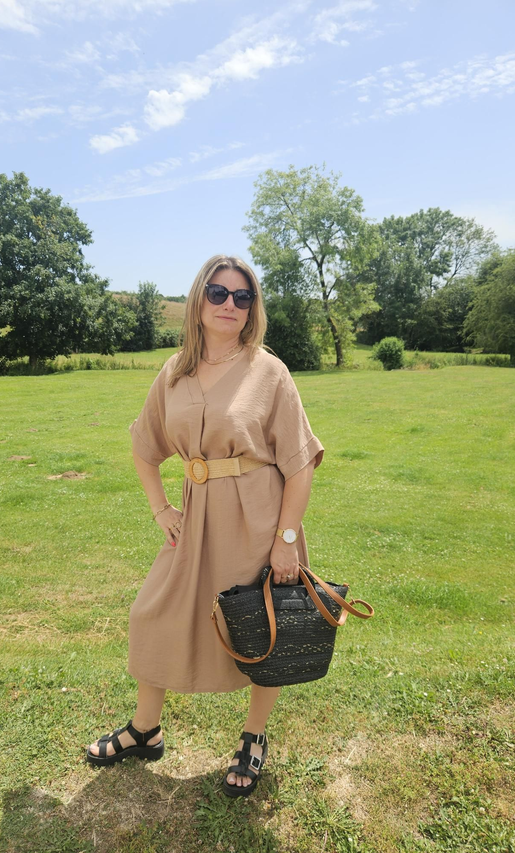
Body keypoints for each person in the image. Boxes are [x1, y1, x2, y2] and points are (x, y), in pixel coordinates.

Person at [86, 254, 324, 798]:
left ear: (252, 308)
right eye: (218, 293)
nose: (229, 304)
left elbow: (300, 462)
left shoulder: (269, 372)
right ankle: (145, 730)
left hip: (257, 518)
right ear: (198, 300)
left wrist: (286, 539)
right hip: (194, 520)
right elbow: (145, 446)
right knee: (153, 611)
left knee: (262, 626)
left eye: (242, 296)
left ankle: (254, 739)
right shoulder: (174, 372)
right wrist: (161, 508)